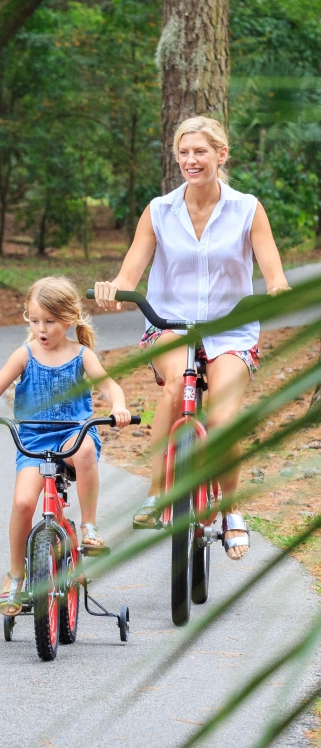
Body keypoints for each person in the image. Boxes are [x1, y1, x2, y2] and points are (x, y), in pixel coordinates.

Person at [94, 116, 289, 560]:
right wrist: (114, 286)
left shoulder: (247, 209)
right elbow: (129, 273)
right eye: (183, 152)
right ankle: (155, 494)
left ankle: (231, 510)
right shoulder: (158, 210)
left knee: (221, 418)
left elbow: (273, 271)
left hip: (231, 329)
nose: (190, 160)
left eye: (200, 151)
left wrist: (277, 288)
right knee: (172, 391)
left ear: (222, 155)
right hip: (168, 323)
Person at [0, 276, 132, 616]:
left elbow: (110, 387)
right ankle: (16, 576)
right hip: (34, 439)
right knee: (24, 502)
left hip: (73, 431)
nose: (41, 328)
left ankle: (88, 527)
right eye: (34, 320)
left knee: (83, 449)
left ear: (69, 319)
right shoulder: (25, 354)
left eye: (50, 321)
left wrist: (118, 406)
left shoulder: (81, 355)